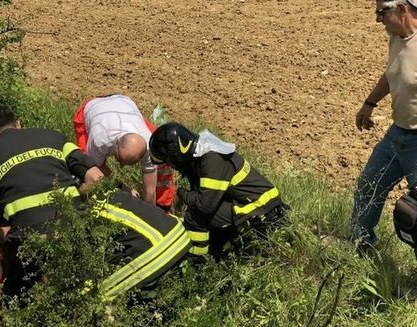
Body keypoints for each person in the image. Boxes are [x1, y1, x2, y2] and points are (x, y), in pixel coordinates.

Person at [351, 0, 417, 284]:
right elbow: (392, 73)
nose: (377, 20)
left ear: (401, 9)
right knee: (368, 188)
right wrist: (369, 103)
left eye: (381, 12)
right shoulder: (397, 37)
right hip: (397, 135)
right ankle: (359, 245)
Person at [0, 106, 104, 297]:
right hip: (73, 226)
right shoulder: (54, 136)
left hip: (26, 240)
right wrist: (76, 204)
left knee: (18, 297)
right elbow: (96, 178)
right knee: (84, 291)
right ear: (19, 124)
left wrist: (0, 241)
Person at [149, 122, 288, 254]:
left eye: (169, 162)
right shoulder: (199, 153)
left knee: (196, 214)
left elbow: (204, 205)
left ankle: (196, 259)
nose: (171, 166)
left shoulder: (211, 160)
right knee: (205, 215)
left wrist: (181, 193)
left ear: (175, 154)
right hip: (255, 202)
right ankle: (218, 246)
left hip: (262, 207)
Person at [91, 189, 205, 300]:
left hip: (155, 253)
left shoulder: (86, 213)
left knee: (97, 295)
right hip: (178, 236)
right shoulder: (113, 192)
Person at [73, 94, 176, 210]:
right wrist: (124, 188)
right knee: (84, 167)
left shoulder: (149, 144)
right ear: (116, 143)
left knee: (162, 161)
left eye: (129, 163)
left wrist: (150, 215)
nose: (121, 166)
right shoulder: (100, 140)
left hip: (125, 106)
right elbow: (95, 171)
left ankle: (164, 208)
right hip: (93, 107)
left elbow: (150, 190)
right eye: (120, 159)